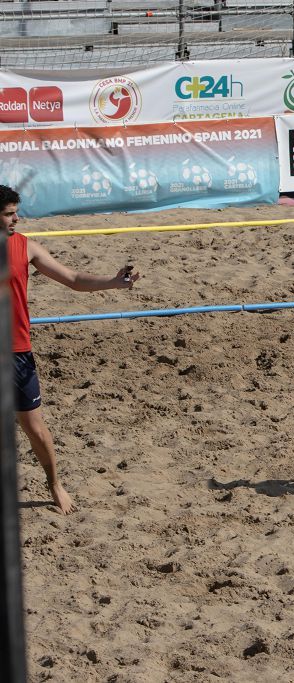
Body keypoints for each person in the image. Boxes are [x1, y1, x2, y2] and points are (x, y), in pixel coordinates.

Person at [2, 185, 140, 514]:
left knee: (33, 427)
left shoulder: (25, 247)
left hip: (17, 352)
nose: (16, 218)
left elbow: (73, 279)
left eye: (15, 212)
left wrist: (114, 282)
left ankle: (55, 484)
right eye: (9, 213)